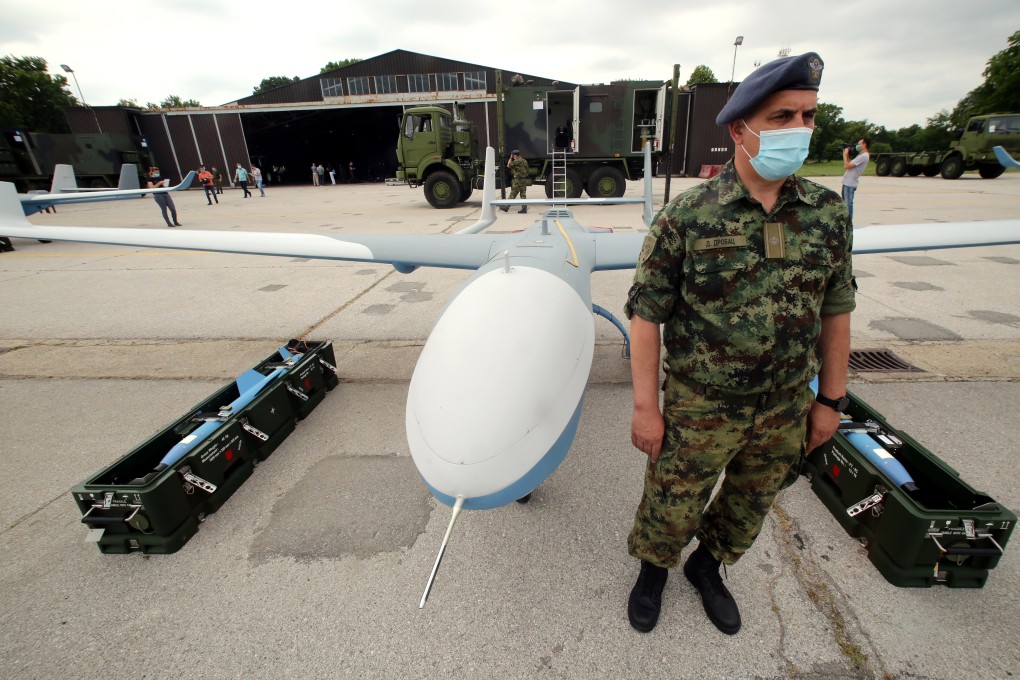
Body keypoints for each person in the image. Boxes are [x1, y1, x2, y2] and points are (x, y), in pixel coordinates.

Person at [624, 52, 855, 637]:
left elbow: (837, 307)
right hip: (703, 402)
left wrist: (830, 401)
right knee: (673, 499)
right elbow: (646, 316)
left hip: (784, 404)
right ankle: (654, 569)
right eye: (782, 117)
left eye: (808, 116)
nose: (799, 130)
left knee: (752, 500)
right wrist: (647, 408)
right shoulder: (688, 217)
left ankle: (709, 564)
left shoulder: (827, 214)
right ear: (740, 130)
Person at [841, 137, 870, 224]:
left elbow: (846, 166)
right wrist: (848, 156)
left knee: (848, 204)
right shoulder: (860, 155)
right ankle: (846, 221)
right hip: (847, 182)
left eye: (859, 143)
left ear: (864, 144)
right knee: (844, 204)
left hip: (850, 184)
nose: (857, 145)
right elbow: (850, 164)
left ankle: (848, 223)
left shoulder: (864, 156)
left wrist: (845, 155)